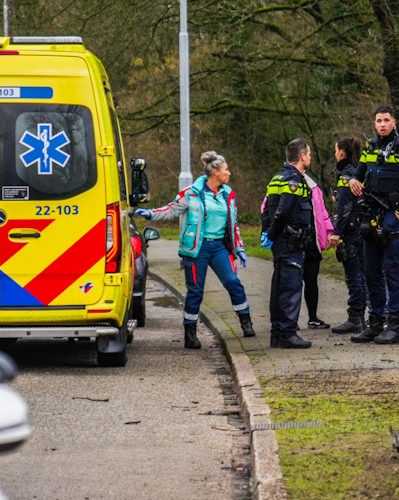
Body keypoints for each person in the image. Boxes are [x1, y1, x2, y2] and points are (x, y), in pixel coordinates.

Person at [134, 150, 254, 349]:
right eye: (226, 169)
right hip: (197, 248)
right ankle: (190, 333)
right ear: (215, 172)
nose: (229, 173)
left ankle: (246, 321)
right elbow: (171, 209)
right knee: (195, 291)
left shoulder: (228, 194)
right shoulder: (191, 193)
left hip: (220, 248)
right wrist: (150, 214)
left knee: (233, 283)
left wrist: (239, 247)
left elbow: (233, 224)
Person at [348, 105, 399, 345]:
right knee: (371, 272)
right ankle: (375, 323)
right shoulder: (370, 147)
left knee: (393, 273)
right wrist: (353, 181)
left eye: (386, 120)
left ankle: (393, 326)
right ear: (374, 123)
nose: (382, 124)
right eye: (378, 121)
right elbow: (358, 173)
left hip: (393, 216)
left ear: (394, 122)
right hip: (371, 216)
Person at [260, 138, 316, 349]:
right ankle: (288, 333)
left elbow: (266, 209)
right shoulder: (293, 179)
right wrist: (273, 234)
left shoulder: (277, 177)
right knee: (291, 288)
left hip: (281, 241)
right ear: (302, 156)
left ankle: (277, 334)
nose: (310, 157)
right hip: (290, 241)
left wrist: (268, 233)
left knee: (279, 286)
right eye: (308, 154)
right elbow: (283, 211)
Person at [329, 136, 369, 334]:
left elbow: (345, 208)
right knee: (361, 274)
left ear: (342, 153)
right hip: (361, 229)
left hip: (351, 232)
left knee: (353, 276)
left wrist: (337, 232)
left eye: (336, 151)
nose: (335, 154)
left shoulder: (346, 175)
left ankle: (355, 318)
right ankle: (360, 317)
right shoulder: (358, 171)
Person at [301, 157, 335, 330]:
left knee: (311, 279)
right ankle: (288, 321)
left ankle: (313, 318)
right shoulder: (284, 183)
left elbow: (322, 212)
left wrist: (328, 232)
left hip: (312, 241)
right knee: (291, 282)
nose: (310, 158)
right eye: (308, 154)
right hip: (294, 241)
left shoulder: (313, 187)